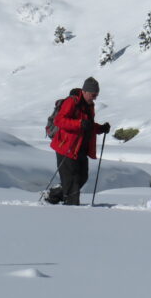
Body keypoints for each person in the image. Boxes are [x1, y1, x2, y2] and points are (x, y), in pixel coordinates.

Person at [47, 77, 110, 205]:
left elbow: (88, 125)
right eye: (93, 95)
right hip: (66, 147)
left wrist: (101, 128)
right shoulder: (72, 102)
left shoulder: (89, 105)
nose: (95, 98)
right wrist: (79, 124)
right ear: (85, 91)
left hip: (80, 148)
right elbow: (59, 120)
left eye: (97, 95)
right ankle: (72, 211)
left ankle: (53, 195)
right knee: (73, 181)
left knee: (82, 177)